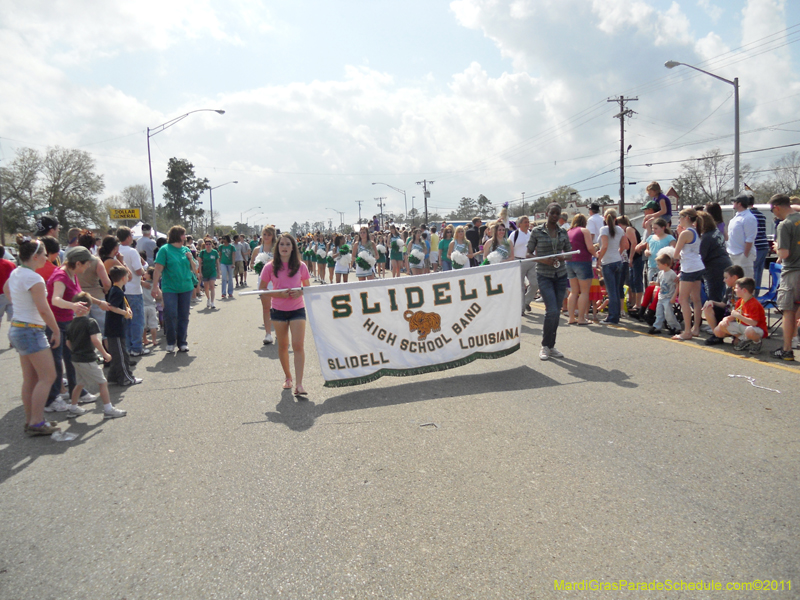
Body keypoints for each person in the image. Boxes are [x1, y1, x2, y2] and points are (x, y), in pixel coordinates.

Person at [4, 235, 62, 436]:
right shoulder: (34, 278)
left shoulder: (17, 272)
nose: (47, 259)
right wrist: (55, 330)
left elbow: (5, 289)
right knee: (48, 376)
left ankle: (31, 420)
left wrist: (19, 304)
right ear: (36, 256)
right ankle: (37, 421)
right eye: (44, 255)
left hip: (18, 328)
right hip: (30, 329)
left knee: (30, 378)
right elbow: (44, 309)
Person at [45, 246, 107, 411]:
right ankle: (52, 399)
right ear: (77, 263)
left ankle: (77, 391)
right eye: (86, 264)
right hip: (56, 323)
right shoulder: (60, 276)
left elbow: (81, 293)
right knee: (56, 362)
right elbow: (55, 300)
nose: (87, 267)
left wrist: (99, 302)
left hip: (67, 322)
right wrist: (72, 305)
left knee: (72, 358)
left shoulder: (72, 274)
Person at [260, 233, 311, 396]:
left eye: (288, 244)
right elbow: (262, 290)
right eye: (282, 244)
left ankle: (300, 384)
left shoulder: (301, 266)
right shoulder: (269, 266)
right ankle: (288, 377)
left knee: (298, 345)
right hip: (278, 311)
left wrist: (300, 292)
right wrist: (277, 294)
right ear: (277, 247)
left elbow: (307, 288)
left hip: (297, 310)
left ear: (293, 247)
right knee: (283, 346)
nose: (284, 247)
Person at [65, 291, 127, 418]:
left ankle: (73, 407)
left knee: (80, 383)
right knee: (102, 383)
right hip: (87, 358)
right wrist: (105, 353)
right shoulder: (90, 322)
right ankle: (108, 409)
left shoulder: (70, 325)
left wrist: (74, 351)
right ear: (89, 307)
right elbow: (95, 340)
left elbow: (67, 343)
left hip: (76, 359)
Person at [527, 203, 572, 359]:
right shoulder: (537, 231)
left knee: (556, 311)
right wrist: (544, 261)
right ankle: (545, 346)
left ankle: (551, 346)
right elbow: (528, 254)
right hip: (544, 274)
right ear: (546, 213)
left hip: (560, 274)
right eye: (552, 213)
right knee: (551, 310)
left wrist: (562, 257)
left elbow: (570, 253)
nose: (555, 216)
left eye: (557, 214)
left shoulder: (562, 232)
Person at [152, 225, 196, 353]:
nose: (185, 237)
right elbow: (158, 269)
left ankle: (182, 342)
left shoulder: (186, 250)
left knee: (184, 315)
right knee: (170, 314)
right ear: (177, 236)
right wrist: (155, 286)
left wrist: (190, 258)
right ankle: (171, 341)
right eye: (183, 234)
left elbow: (195, 268)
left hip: (186, 287)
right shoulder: (165, 250)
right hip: (169, 288)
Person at [769, 194, 800, 361]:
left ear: (777, 207)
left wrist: (776, 247)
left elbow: (784, 254)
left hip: (793, 272)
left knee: (789, 311)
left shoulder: (784, 225)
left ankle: (787, 350)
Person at [672, 208, 705, 341]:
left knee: (683, 299)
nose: (679, 220)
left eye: (680, 217)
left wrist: (680, 234)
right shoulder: (696, 231)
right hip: (698, 265)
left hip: (689, 268)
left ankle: (687, 331)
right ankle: (695, 328)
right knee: (696, 299)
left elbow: (675, 254)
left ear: (686, 217)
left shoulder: (685, 233)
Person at [105, 266, 141, 385]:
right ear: (122, 278)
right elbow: (112, 307)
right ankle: (126, 378)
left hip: (117, 327)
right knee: (121, 355)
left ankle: (114, 376)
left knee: (118, 353)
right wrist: (124, 312)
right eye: (126, 276)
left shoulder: (117, 289)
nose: (128, 278)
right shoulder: (117, 291)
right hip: (114, 328)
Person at [117, 226, 149, 357]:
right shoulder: (131, 251)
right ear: (128, 237)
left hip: (121, 289)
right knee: (137, 320)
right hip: (134, 290)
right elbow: (138, 270)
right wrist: (144, 271)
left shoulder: (116, 250)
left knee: (126, 320)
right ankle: (136, 347)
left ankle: (129, 347)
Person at [714, 277, 767, 354]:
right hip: (743, 326)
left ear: (744, 290)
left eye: (736, 288)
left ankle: (757, 342)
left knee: (749, 330)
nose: (734, 290)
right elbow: (734, 316)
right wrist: (726, 319)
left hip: (756, 328)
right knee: (720, 327)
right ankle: (744, 339)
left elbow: (754, 323)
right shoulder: (740, 301)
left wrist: (739, 316)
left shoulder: (754, 304)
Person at [596, 208, 629, 325]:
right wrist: (617, 253)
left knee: (611, 291)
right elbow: (625, 245)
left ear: (605, 218)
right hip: (617, 261)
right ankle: (615, 315)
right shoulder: (619, 229)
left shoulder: (604, 229)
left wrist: (599, 260)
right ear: (616, 218)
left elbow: (604, 246)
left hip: (607, 262)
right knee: (616, 289)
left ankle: (613, 316)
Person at [76, 231, 112, 336]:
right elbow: (106, 282)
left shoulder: (72, 261)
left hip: (79, 297)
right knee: (103, 332)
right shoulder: (95, 260)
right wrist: (105, 290)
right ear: (92, 245)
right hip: (97, 296)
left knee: (82, 333)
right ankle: (105, 352)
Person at [565, 214, 597, 325]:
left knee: (573, 292)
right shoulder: (584, 231)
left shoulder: (568, 231)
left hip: (569, 262)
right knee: (584, 292)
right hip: (583, 261)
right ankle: (581, 318)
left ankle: (571, 317)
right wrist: (596, 254)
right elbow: (589, 247)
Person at [697, 211, 733, 307]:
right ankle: (722, 314)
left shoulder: (706, 237)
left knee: (713, 295)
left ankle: (716, 318)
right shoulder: (716, 231)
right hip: (725, 262)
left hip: (714, 267)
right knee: (722, 293)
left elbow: (702, 256)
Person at [703, 265, 744, 345]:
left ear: (734, 277)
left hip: (739, 319)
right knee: (708, 307)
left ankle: (739, 336)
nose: (724, 280)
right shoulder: (730, 289)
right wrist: (712, 302)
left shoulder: (743, 291)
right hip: (728, 315)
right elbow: (723, 304)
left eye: (726, 277)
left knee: (736, 344)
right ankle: (717, 336)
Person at [252, 226, 277, 345]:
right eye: (264, 234)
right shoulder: (257, 249)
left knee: (278, 307)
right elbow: (251, 264)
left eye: (269, 235)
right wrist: (259, 265)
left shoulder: (277, 248)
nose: (266, 237)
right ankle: (268, 334)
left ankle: (279, 330)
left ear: (273, 236)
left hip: (277, 281)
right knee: (266, 308)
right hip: (263, 281)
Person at [647, 250, 682, 335]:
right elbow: (660, 283)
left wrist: (674, 296)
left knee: (668, 313)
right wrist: (655, 284)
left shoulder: (672, 274)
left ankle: (675, 327)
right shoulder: (660, 273)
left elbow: (677, 285)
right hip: (661, 296)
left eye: (659, 264)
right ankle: (657, 326)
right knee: (659, 313)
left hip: (668, 297)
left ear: (665, 264)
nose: (657, 266)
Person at [726, 192, 757, 278]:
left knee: (745, 281)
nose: (733, 204)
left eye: (734, 202)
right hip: (733, 254)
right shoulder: (736, 217)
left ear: (739, 203)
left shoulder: (749, 217)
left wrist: (745, 255)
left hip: (742, 255)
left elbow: (750, 238)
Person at [510, 216, 536, 314]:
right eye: (525, 222)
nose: (527, 224)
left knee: (535, 283)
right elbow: (510, 248)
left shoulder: (532, 234)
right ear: (519, 224)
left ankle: (526, 302)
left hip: (531, 261)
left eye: (528, 222)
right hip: (519, 261)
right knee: (520, 286)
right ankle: (521, 309)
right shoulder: (514, 234)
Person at [639, 218, 676, 283]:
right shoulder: (650, 238)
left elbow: (673, 253)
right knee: (652, 285)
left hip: (664, 267)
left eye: (656, 228)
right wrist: (646, 252)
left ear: (663, 228)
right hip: (652, 266)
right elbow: (647, 249)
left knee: (662, 285)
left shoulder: (669, 238)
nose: (654, 230)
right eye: (653, 228)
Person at [748, 196, 770, 291]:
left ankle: (753, 294)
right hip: (764, 245)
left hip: (756, 245)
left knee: (753, 271)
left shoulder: (749, 215)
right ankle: (756, 292)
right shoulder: (761, 215)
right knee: (759, 271)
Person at [197, 238, 220, 309]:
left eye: (209, 244)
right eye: (206, 244)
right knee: (206, 287)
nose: (208, 245)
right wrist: (200, 273)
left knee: (212, 286)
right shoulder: (202, 252)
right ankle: (208, 299)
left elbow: (217, 263)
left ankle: (213, 302)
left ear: (211, 245)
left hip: (212, 271)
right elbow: (199, 263)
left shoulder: (215, 252)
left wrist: (218, 272)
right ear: (205, 245)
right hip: (205, 272)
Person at [141, 267, 160, 348]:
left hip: (143, 306)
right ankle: (154, 340)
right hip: (152, 305)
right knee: (153, 324)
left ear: (149, 275)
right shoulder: (155, 285)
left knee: (143, 325)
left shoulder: (143, 284)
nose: (144, 273)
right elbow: (159, 295)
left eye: (146, 273)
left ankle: (144, 340)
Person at [0, 243, 17, 333]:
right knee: (13, 318)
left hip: (0, 295)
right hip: (10, 294)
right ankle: (12, 339)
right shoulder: (11, 264)